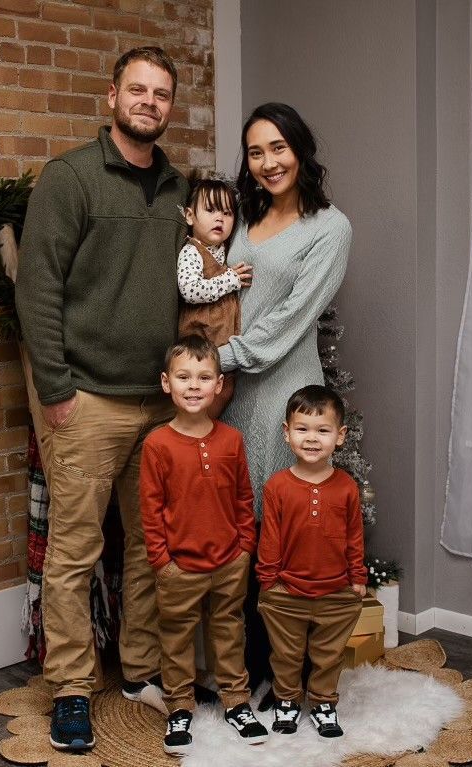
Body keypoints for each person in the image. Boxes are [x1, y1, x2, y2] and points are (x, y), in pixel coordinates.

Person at [15, 46, 188, 752]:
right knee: (75, 552)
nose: (149, 102)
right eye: (137, 90)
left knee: (149, 548)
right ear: (112, 96)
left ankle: (141, 669)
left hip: (162, 405)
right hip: (88, 401)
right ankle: (71, 689)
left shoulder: (179, 189)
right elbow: (38, 287)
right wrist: (56, 388)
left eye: (161, 94)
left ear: (170, 107)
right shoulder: (71, 177)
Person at [218, 102, 354, 695]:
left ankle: (283, 674)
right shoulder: (242, 218)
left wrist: (219, 358)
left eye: (279, 148)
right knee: (233, 528)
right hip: (226, 394)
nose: (268, 162)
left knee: (277, 528)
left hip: (280, 390)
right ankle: (237, 668)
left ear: (300, 150)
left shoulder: (329, 228)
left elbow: (292, 320)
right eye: (256, 152)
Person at [140, 336, 268, 756]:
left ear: (219, 385)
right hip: (179, 567)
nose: (194, 386)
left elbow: (244, 497)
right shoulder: (158, 444)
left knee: (228, 632)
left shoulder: (231, 439)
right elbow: (151, 509)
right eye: (184, 377)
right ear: (167, 383)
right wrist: (162, 561)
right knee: (176, 639)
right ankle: (179, 708)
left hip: (229, 561)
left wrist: (245, 546)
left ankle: (236, 702)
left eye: (204, 377)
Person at [256, 385, 367, 738]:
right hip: (286, 591)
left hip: (336, 591)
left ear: (340, 436)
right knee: (286, 655)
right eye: (302, 429)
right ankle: (287, 701)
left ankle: (322, 704)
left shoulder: (346, 487)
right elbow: (270, 538)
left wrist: (357, 577)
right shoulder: (277, 486)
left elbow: (354, 536)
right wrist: (268, 580)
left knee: (328, 655)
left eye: (323, 430)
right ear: (287, 433)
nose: (312, 438)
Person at [176, 174, 252, 418]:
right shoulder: (192, 251)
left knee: (224, 392)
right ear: (190, 216)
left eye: (227, 213)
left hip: (222, 343)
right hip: (200, 340)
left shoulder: (223, 250)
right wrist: (229, 280)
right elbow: (190, 290)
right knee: (203, 400)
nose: (219, 218)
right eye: (210, 210)